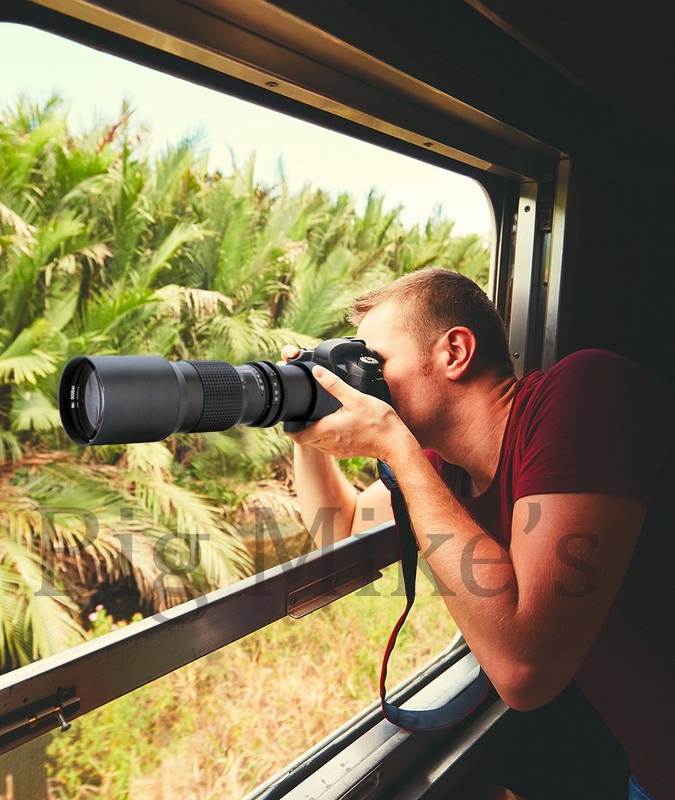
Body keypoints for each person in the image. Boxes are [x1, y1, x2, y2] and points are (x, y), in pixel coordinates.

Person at [283, 267, 674, 800]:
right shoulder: (443, 470)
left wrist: (397, 448)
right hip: (652, 770)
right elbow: (341, 532)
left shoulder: (585, 390)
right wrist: (304, 419)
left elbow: (523, 671)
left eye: (373, 362)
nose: (361, 384)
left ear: (455, 352)